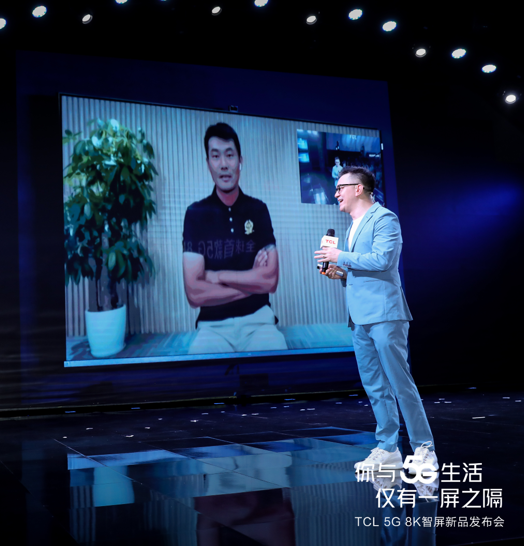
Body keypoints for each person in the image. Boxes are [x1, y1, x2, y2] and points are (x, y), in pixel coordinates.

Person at [316, 167, 436, 473]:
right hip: (359, 318)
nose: (336, 194)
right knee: (375, 386)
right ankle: (387, 448)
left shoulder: (384, 218)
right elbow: (363, 271)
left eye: (340, 187)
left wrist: (340, 257)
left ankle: (424, 448)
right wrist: (341, 274)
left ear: (358, 188)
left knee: (400, 383)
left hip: (384, 315)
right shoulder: (352, 227)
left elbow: (383, 260)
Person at [182, 122, 287, 354]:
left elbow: (270, 280)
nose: (223, 164)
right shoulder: (195, 214)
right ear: (208, 163)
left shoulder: (258, 210)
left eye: (230, 155)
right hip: (212, 326)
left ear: (240, 161)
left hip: (259, 321)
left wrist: (216, 276)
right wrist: (251, 285)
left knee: (278, 356)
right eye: (215, 156)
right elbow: (194, 293)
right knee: (198, 364)